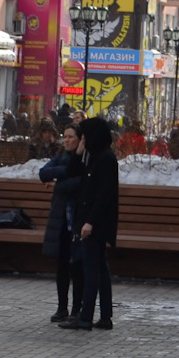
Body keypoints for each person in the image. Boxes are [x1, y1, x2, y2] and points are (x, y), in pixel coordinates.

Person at [62, 117, 119, 331]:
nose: (83, 140)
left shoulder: (105, 159)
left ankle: (86, 317)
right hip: (92, 220)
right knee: (100, 269)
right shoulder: (94, 156)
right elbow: (72, 173)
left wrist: (90, 222)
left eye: (85, 136)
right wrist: (78, 154)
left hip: (95, 223)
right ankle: (105, 316)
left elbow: (103, 195)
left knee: (92, 270)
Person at [39, 123, 87, 322]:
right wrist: (67, 171)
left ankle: (76, 309)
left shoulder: (86, 160)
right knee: (62, 266)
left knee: (77, 266)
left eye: (70, 137)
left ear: (80, 140)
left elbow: (76, 185)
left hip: (77, 222)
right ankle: (61, 307)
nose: (66, 140)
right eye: (64, 136)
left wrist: (59, 181)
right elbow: (43, 173)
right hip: (60, 222)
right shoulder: (62, 158)